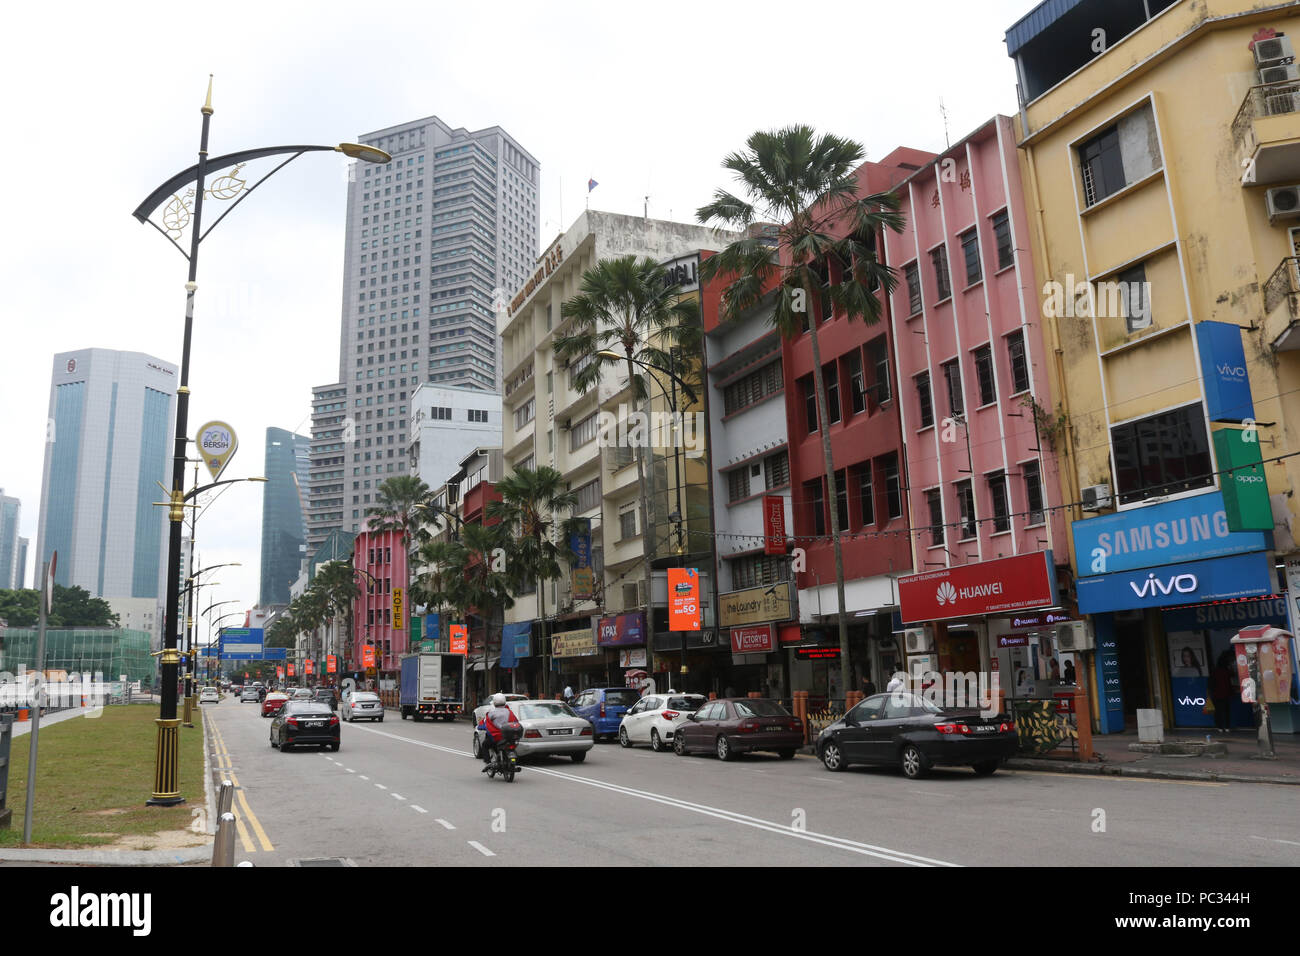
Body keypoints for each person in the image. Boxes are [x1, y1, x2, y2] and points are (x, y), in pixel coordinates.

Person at [478, 692, 517, 771]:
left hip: (496, 738)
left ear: (494, 702)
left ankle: (488, 762)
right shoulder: (510, 712)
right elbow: (516, 722)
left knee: (484, 745)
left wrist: (480, 727)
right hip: (508, 737)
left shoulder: (491, 713)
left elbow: (483, 724)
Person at [1210, 651, 1236, 733]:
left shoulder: (1214, 672)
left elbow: (1210, 684)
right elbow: (1234, 675)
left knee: (1218, 712)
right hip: (1226, 694)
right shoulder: (1227, 671)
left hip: (1216, 695)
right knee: (1226, 711)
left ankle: (1220, 727)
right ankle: (1227, 727)